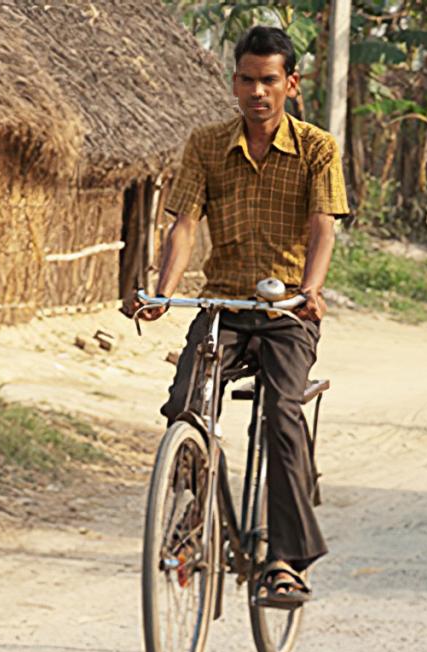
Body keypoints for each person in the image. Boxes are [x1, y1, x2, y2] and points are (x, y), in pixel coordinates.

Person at [133, 26, 349, 602]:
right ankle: (190, 524)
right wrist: (162, 292)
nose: (258, 91)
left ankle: (285, 559)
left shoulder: (317, 149)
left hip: (286, 311)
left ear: (290, 84)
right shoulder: (205, 144)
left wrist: (310, 289)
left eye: (269, 80)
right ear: (234, 82)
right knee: (186, 403)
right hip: (223, 304)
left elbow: (322, 226)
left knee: (281, 414)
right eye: (248, 80)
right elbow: (184, 224)